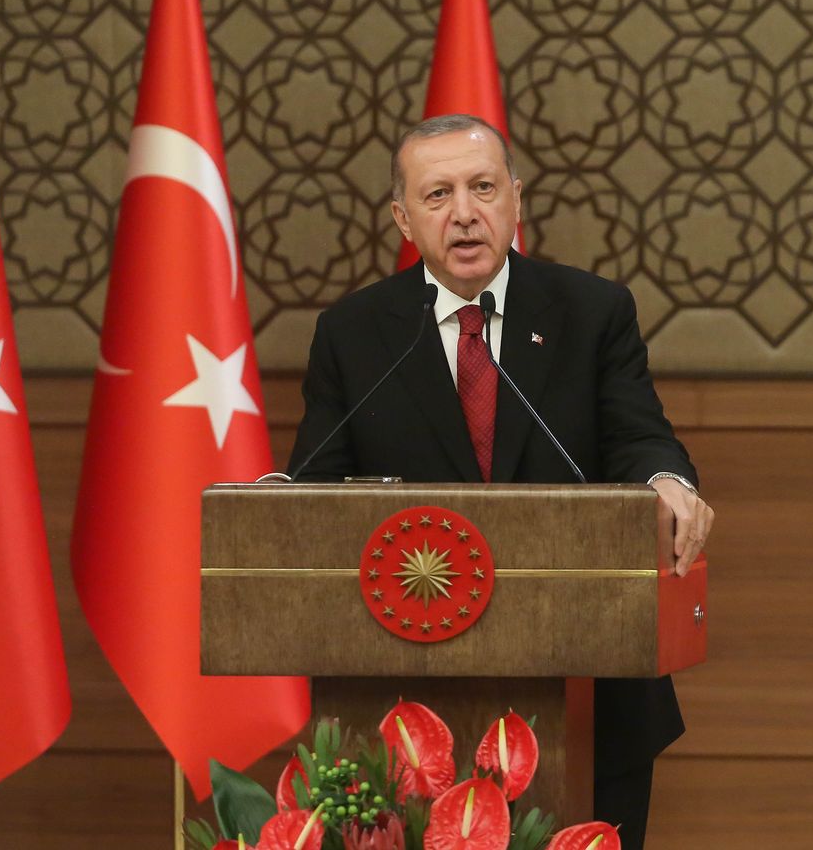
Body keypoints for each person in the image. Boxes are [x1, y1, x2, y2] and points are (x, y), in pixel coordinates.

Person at [288, 113, 715, 847]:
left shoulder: (591, 312)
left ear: (516, 200)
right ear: (403, 217)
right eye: (438, 194)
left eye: (483, 188)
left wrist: (666, 480)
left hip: (591, 681)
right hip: (404, 699)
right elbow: (316, 490)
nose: (464, 213)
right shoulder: (355, 333)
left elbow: (640, 438)